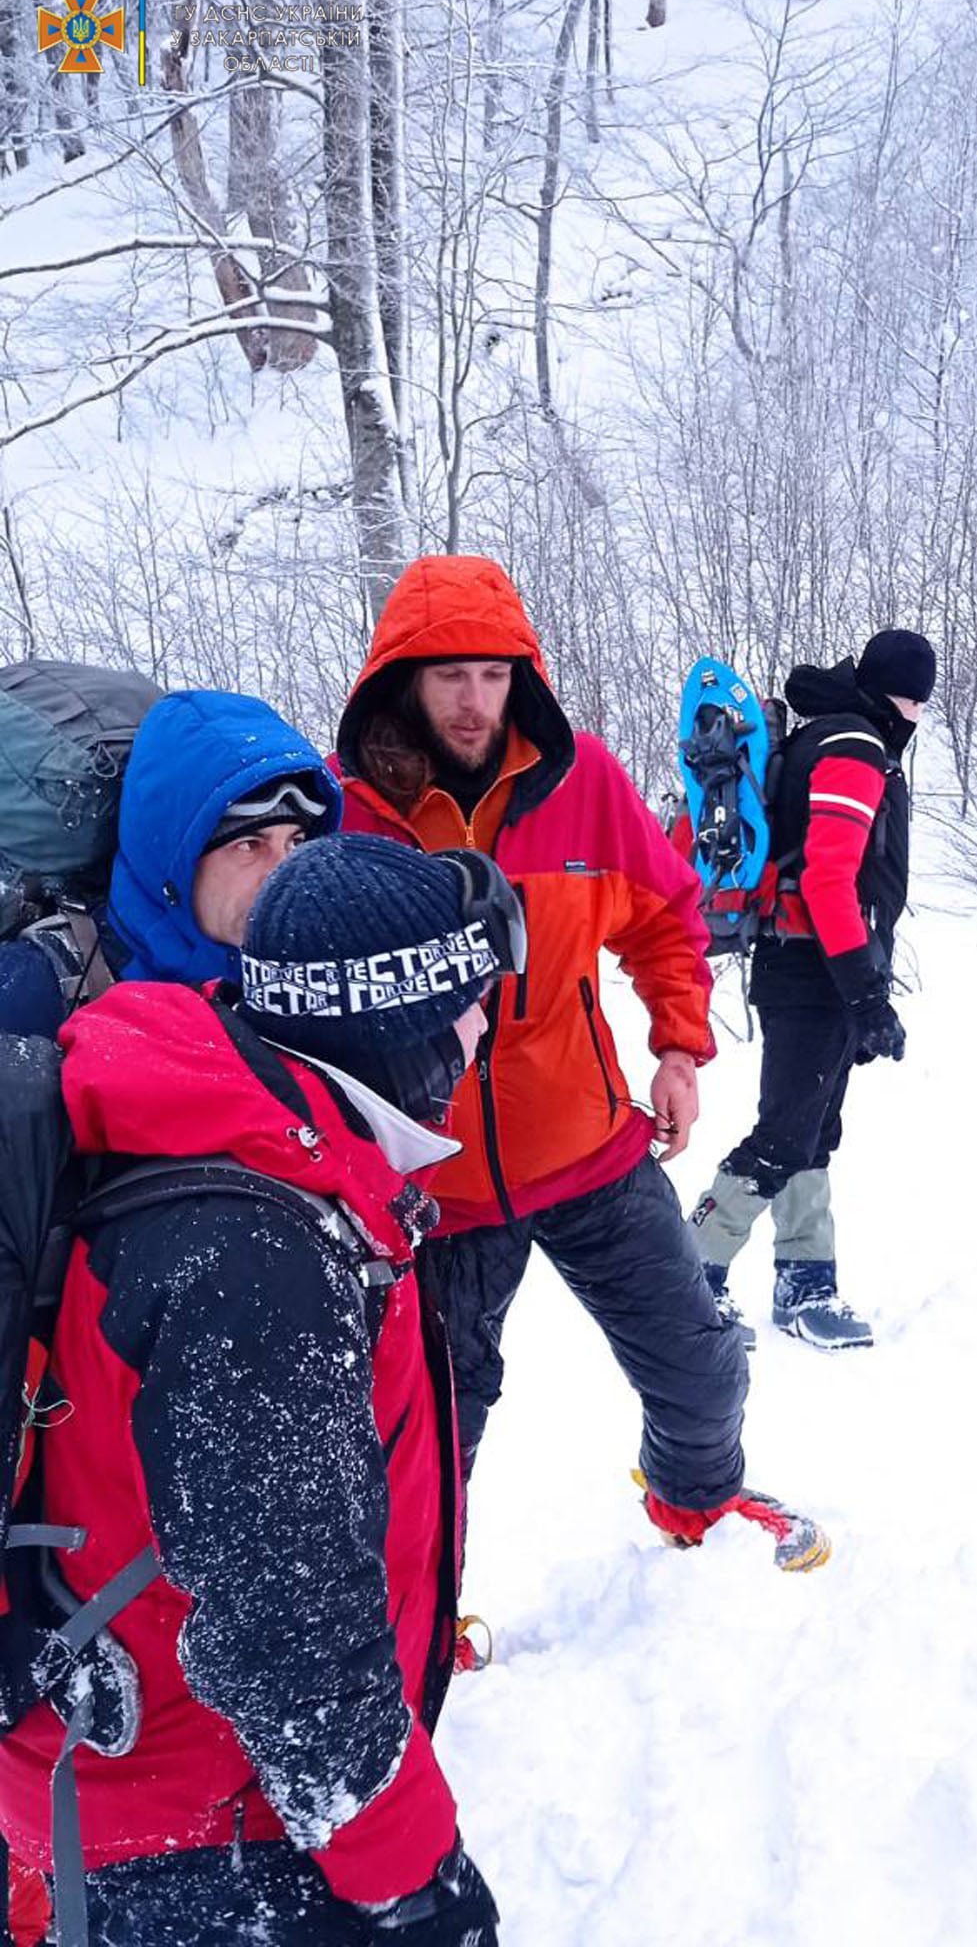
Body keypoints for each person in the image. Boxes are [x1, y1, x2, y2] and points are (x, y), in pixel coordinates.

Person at [0, 832, 517, 1944]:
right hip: (189, 1823)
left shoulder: (249, 1132)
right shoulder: (254, 1253)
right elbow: (287, 1634)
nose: (485, 1030)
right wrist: (414, 1878)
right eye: (475, 1003)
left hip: (151, 1758)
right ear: (405, 1023)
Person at [333, 553, 825, 1570]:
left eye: (493, 673)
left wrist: (681, 1048)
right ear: (403, 680)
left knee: (700, 1364)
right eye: (448, 675)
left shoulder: (581, 780)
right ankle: (420, 1604)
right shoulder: (354, 816)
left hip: (592, 1146)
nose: (473, 701)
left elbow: (663, 917)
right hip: (437, 1182)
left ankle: (695, 1500)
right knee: (433, 1425)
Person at [689, 628, 936, 1350]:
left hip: (806, 962)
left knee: (811, 1131)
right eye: (920, 702)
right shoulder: (854, 747)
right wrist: (865, 994)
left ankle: (806, 1281)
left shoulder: (826, 737)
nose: (919, 718)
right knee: (783, 1134)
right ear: (907, 698)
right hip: (814, 967)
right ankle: (688, 1278)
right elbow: (829, 879)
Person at [0, 688, 341, 1038]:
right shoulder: (35, 988)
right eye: (249, 845)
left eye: (295, 842)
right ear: (174, 857)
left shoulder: (312, 980)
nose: (283, 875)